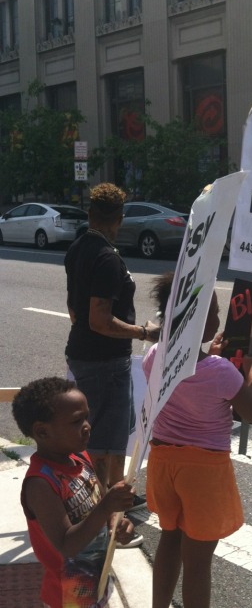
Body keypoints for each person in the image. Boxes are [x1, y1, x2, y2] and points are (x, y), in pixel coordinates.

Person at [143, 272, 252, 608]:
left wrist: (207, 351)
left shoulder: (155, 355)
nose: (218, 317)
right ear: (197, 321)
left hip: (163, 461)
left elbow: (186, 374)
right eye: (213, 312)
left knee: (169, 538)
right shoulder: (221, 371)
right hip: (204, 470)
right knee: (198, 561)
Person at [64, 182, 159, 514]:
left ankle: (107, 500)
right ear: (119, 218)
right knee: (109, 442)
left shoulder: (77, 249)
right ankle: (110, 515)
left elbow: (74, 310)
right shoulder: (106, 258)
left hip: (86, 356)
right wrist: (144, 333)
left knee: (102, 436)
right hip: (104, 362)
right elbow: (98, 319)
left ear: (90, 214)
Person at [11, 377, 137, 608]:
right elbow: (66, 544)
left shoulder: (79, 458)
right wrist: (107, 507)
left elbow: (99, 501)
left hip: (95, 580)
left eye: (86, 417)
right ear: (42, 432)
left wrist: (116, 522)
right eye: (76, 421)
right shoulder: (41, 483)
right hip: (67, 595)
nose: (87, 425)